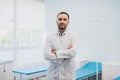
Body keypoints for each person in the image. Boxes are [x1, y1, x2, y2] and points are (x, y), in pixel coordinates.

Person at [44, 12, 79, 80]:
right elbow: (46, 55)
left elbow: (73, 53)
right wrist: (66, 56)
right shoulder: (49, 37)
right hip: (52, 75)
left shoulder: (74, 36)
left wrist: (56, 52)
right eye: (60, 19)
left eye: (64, 19)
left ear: (68, 22)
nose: (62, 21)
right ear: (56, 21)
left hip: (68, 75)